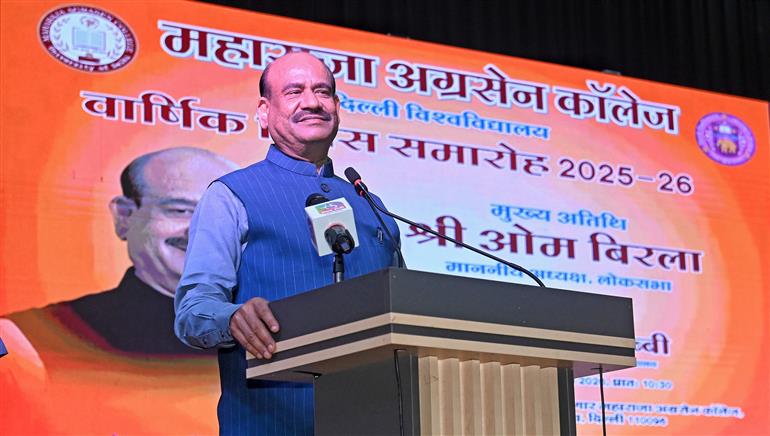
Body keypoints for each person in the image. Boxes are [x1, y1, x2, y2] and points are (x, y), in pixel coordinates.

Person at [175, 52, 400, 435]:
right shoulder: (231, 195)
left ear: (337, 107)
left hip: (375, 420)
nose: (312, 102)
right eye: (294, 92)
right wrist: (232, 318)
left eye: (323, 92)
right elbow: (192, 312)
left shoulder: (370, 205)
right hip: (270, 421)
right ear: (264, 112)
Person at [1, 147, 238, 434]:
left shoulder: (268, 336)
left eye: (220, 217)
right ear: (124, 217)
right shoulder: (32, 340)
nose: (200, 230)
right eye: (180, 210)